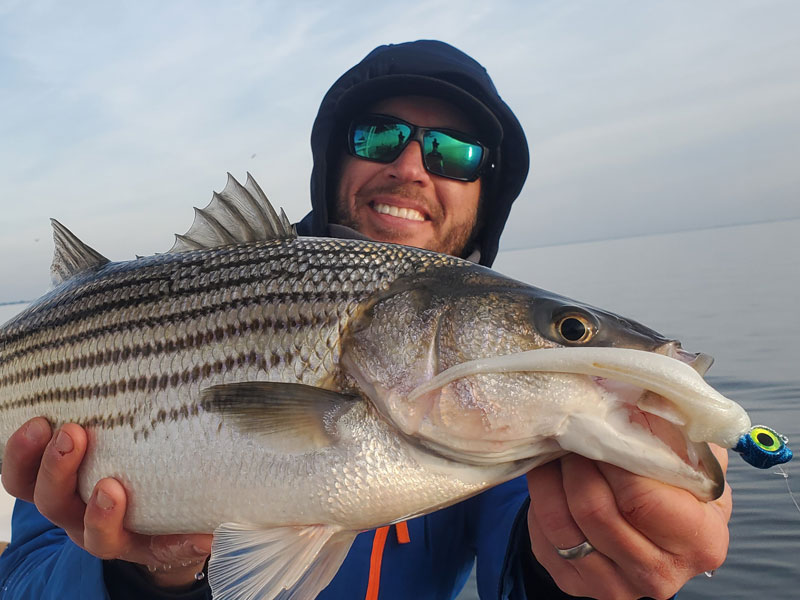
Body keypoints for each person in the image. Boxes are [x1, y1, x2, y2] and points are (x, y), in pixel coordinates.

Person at [0, 40, 731, 599]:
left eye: (456, 152)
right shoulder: (88, 338)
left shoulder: (505, 444)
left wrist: (587, 565)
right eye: (379, 136)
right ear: (334, 162)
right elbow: (23, 580)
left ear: (486, 194)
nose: (413, 166)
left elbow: (522, 563)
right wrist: (141, 580)